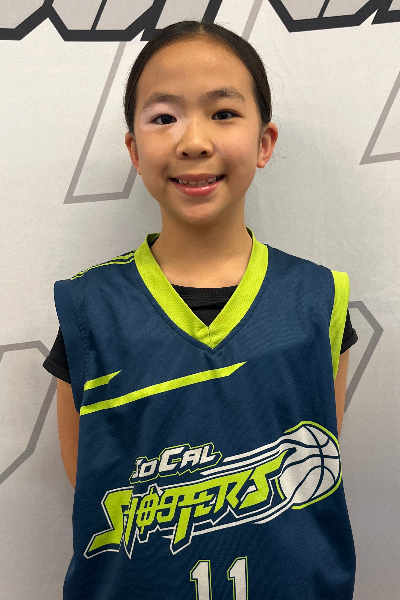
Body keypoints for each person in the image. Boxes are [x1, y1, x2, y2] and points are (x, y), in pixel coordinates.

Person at [43, 20, 357, 600]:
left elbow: (317, 468)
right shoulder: (91, 310)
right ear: (134, 150)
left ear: (264, 142)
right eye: (164, 117)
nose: (193, 141)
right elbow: (91, 486)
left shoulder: (318, 301)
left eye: (223, 113)